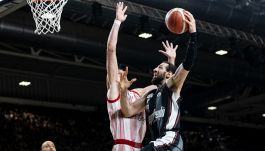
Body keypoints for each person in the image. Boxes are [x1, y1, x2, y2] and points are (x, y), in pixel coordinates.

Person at [119, 10, 197, 151]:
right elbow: (128, 111)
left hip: (170, 141)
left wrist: (193, 33)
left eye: (159, 67)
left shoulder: (172, 87)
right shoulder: (149, 97)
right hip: (158, 143)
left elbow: (187, 63)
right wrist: (123, 90)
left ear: (168, 75)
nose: (154, 69)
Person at [106, 2, 176, 151]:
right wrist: (117, 22)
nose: (117, 76)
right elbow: (111, 50)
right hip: (121, 147)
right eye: (114, 75)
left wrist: (171, 61)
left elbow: (166, 86)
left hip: (141, 147)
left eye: (120, 73)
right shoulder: (113, 93)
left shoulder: (141, 92)